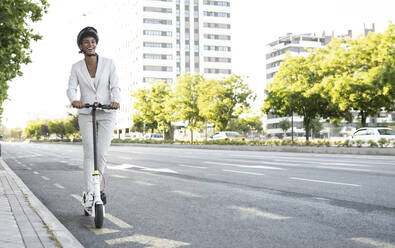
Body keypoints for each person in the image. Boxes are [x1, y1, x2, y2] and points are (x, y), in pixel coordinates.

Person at [67, 27, 120, 208]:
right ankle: (90, 192)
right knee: (89, 152)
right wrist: (75, 100)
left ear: (96, 43)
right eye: (86, 42)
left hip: (106, 111)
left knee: (102, 153)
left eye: (92, 41)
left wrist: (115, 100)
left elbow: (115, 86)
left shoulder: (109, 63)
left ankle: (98, 190)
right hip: (86, 111)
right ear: (81, 45)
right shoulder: (76, 67)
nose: (90, 45)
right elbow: (71, 88)